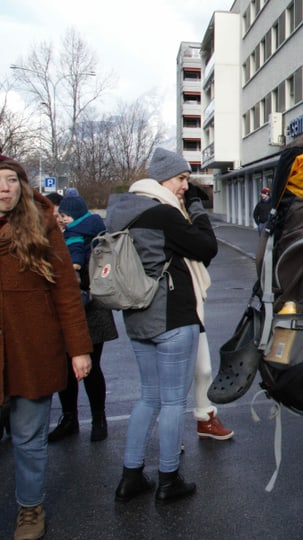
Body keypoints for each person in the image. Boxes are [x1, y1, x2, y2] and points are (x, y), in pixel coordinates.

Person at [107, 148, 219, 504]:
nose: (185, 186)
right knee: (172, 402)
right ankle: (168, 480)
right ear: (161, 180)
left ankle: (131, 476)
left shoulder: (122, 212)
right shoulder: (163, 214)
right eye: (181, 179)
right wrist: (199, 212)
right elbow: (206, 247)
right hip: (172, 316)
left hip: (136, 316)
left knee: (147, 398)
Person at [0, 155, 93, 540]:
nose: (3, 188)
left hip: (31, 349)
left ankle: (30, 508)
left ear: (22, 186)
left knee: (27, 438)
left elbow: (67, 294)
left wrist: (78, 349)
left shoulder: (42, 224)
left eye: (10, 180)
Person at [46, 191, 119, 443]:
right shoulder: (53, 236)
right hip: (63, 308)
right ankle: (69, 419)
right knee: (65, 368)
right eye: (55, 216)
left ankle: (99, 419)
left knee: (91, 366)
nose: (58, 220)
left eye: (60, 215)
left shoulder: (85, 236)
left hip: (91, 305)